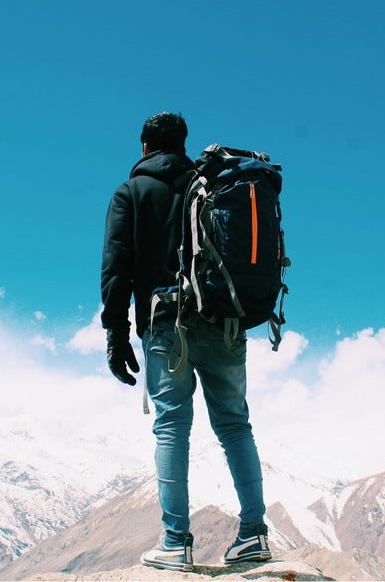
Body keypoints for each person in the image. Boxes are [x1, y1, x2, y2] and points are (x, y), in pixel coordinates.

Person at [100, 112, 271, 572]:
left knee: (172, 427)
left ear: (143, 147)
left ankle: (176, 542)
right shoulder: (212, 184)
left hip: (167, 325)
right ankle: (254, 534)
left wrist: (117, 335)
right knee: (235, 424)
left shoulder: (132, 192)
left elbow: (117, 268)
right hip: (224, 321)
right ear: (182, 144)